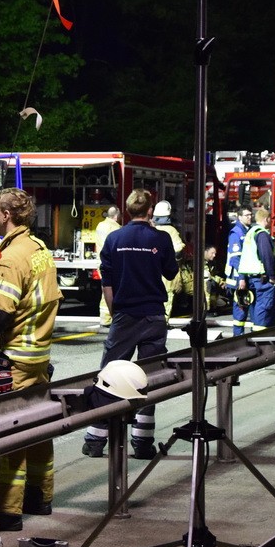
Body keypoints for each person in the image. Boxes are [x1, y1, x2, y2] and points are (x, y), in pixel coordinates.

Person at [0, 188, 62, 536]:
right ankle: (39, 496)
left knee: (7, 440)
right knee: (38, 433)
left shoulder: (12, 259)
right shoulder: (39, 251)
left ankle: (5, 511)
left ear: (6, 215)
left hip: (13, 361)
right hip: (38, 357)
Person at [83, 189, 178, 461]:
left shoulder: (114, 239)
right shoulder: (161, 238)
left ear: (127, 211)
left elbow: (107, 283)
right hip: (154, 315)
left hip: (125, 315)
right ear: (149, 211)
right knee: (149, 378)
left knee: (108, 376)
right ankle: (143, 441)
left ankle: (95, 439)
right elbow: (171, 272)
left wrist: (116, 314)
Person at [237, 208, 275, 332]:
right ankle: (259, 337)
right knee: (265, 307)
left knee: (257, 307)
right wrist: (272, 276)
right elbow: (267, 256)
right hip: (264, 279)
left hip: (253, 278)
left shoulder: (251, 232)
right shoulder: (262, 234)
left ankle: (258, 335)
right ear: (266, 219)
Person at [151, 200, 185, 320]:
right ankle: (163, 321)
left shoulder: (150, 228)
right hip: (165, 270)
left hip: (152, 269)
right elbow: (179, 250)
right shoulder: (171, 231)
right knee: (168, 294)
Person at [224, 207, 254, 335]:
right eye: (247, 215)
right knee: (240, 308)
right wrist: (241, 277)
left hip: (245, 275)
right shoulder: (236, 233)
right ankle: (237, 336)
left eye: (250, 215)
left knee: (248, 305)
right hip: (238, 278)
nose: (249, 217)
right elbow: (236, 258)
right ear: (239, 217)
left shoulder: (247, 230)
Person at [94, 206, 122, 325]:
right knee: (112, 289)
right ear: (116, 216)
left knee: (105, 288)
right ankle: (109, 318)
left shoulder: (100, 225)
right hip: (113, 262)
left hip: (100, 261)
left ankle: (104, 318)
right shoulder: (116, 228)